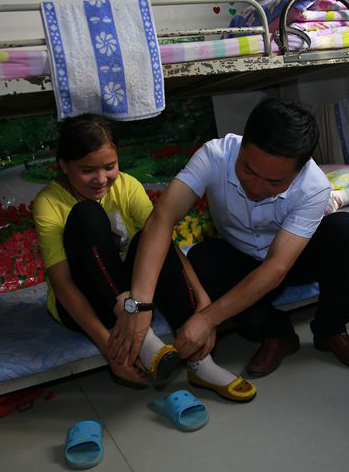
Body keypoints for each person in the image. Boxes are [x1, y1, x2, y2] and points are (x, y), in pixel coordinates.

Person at [115, 97, 349, 379]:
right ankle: (277, 333)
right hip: (240, 263)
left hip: (290, 262)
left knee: (345, 230)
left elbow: (277, 267)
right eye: (248, 170)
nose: (256, 187)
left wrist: (207, 318)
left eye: (275, 182)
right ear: (242, 146)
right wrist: (140, 305)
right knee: (202, 256)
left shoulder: (314, 186)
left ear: (299, 170)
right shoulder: (214, 156)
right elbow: (162, 218)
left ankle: (331, 330)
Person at [32, 114, 255, 401]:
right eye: (87, 170)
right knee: (86, 215)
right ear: (63, 165)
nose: (101, 179)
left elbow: (165, 244)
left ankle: (200, 362)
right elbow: (63, 285)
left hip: (132, 297)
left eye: (109, 167)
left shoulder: (127, 185)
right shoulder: (48, 202)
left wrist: (203, 303)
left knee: (151, 238)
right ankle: (143, 338)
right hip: (87, 301)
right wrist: (112, 350)